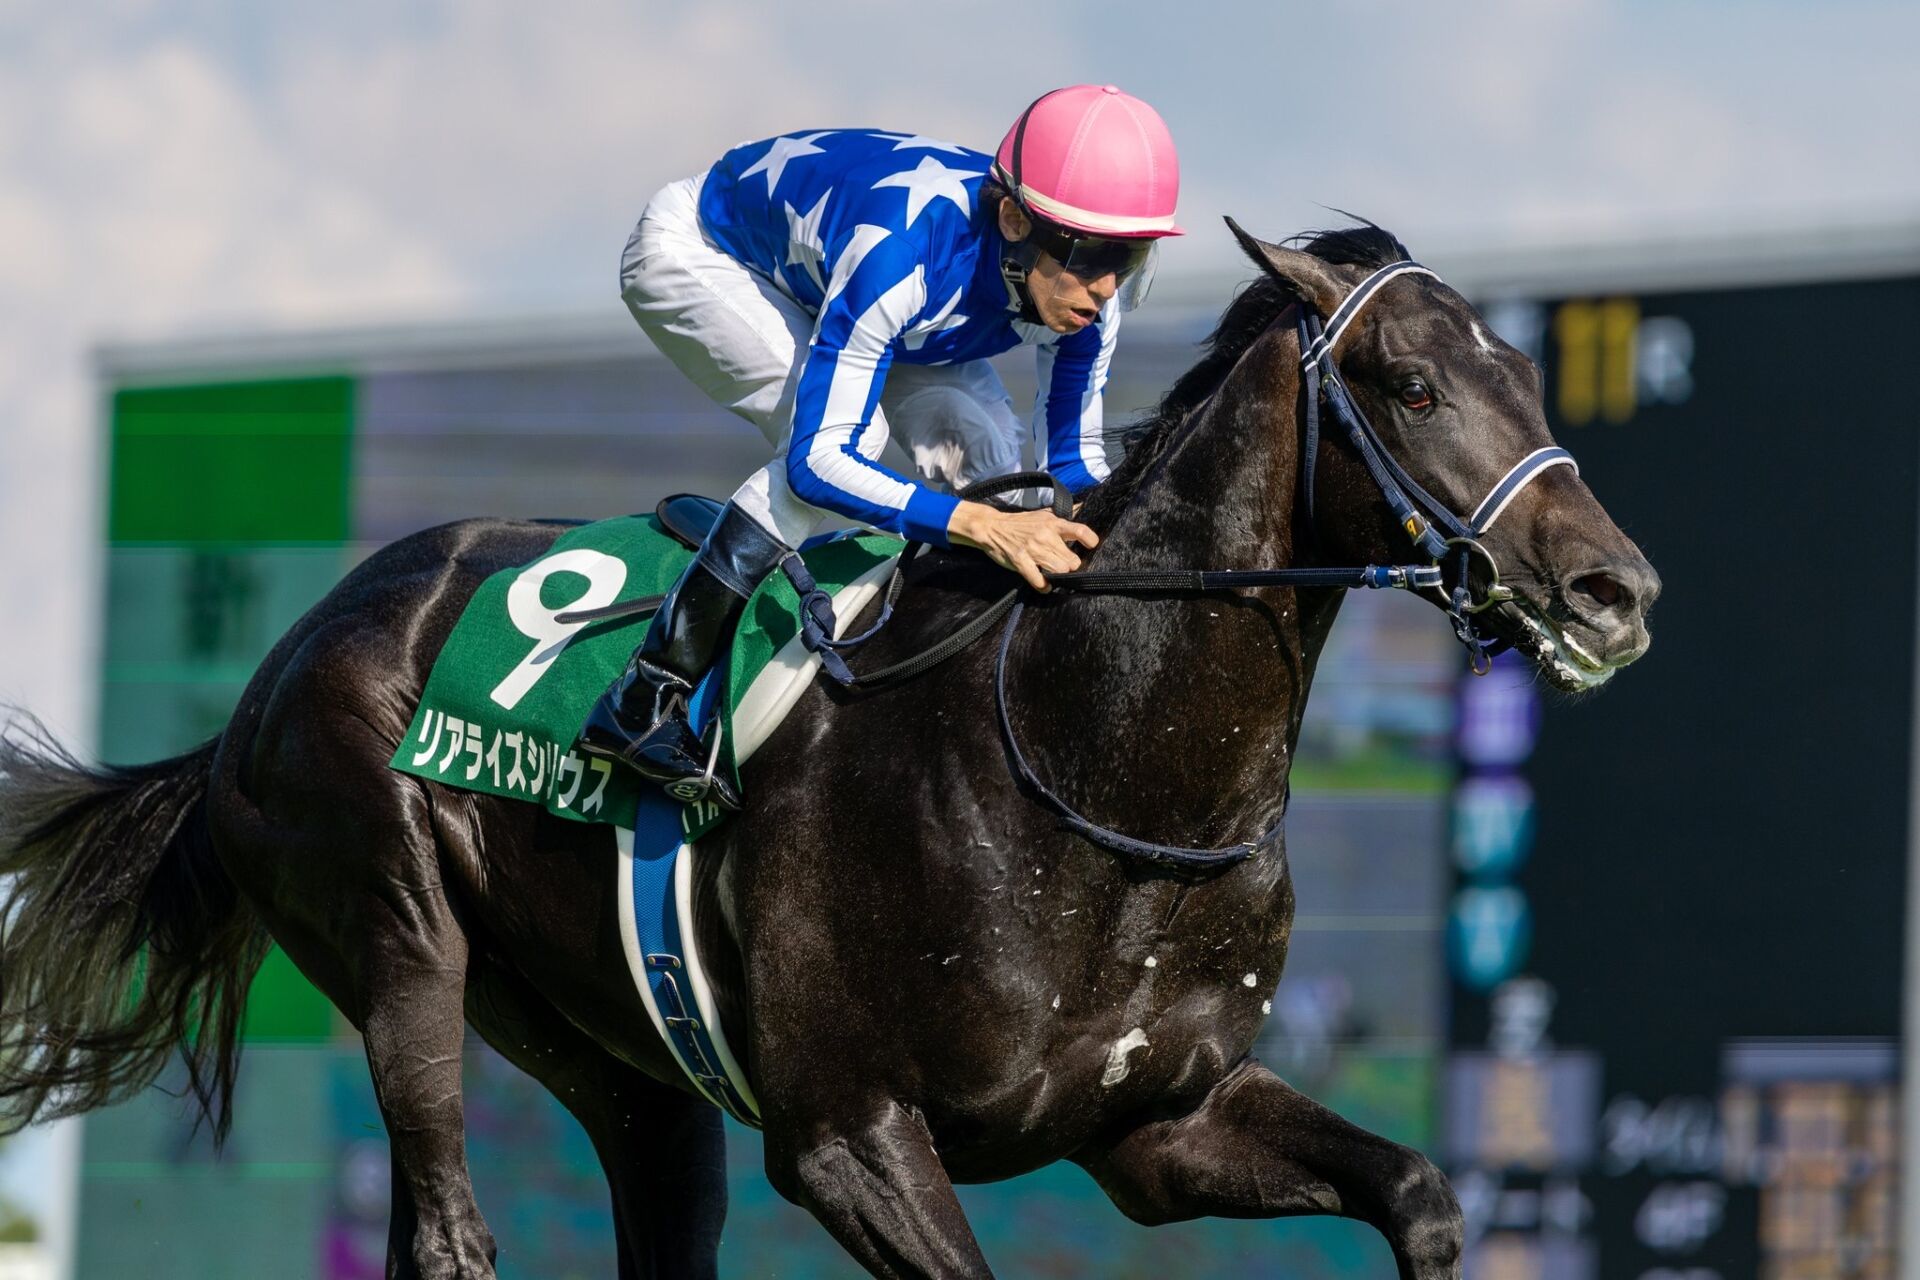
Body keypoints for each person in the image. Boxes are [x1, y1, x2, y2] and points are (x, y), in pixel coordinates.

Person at [577, 85, 1184, 808]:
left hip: (875, 295)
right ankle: (647, 694)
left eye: (1130, 259)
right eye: (1089, 256)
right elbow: (818, 464)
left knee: (1007, 474)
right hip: (706, 253)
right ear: (1015, 220)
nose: (1106, 288)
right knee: (853, 442)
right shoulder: (901, 255)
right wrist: (980, 525)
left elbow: (1074, 468)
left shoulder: (1081, 294)